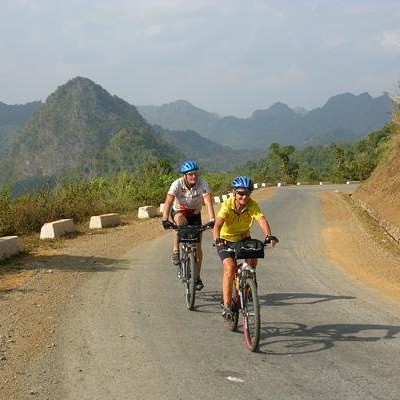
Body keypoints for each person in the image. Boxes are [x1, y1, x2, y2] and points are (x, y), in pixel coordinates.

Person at [213, 175, 278, 318]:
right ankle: (227, 304)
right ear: (234, 193)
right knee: (230, 268)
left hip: (243, 238)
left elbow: (261, 219)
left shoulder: (252, 205)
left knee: (254, 257)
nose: (244, 197)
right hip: (225, 240)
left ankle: (248, 283)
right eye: (241, 193)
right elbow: (217, 224)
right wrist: (217, 239)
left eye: (247, 193)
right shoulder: (227, 205)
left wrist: (269, 235)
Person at [162, 160, 216, 291]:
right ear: (184, 175)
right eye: (190, 174)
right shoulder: (177, 184)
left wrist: (212, 219)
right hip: (179, 211)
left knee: (198, 247)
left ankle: (197, 277)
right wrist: (165, 219)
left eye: (196, 174)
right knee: (180, 222)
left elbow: (208, 202)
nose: (194, 177)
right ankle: (176, 251)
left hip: (195, 214)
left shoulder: (202, 183)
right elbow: (169, 201)